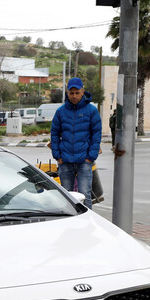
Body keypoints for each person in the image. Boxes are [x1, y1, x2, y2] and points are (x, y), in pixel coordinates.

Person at [50, 77, 102, 209]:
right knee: (66, 196)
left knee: (85, 195)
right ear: (67, 93)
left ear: (82, 92)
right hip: (65, 161)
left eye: (77, 92)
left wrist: (90, 157)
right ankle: (69, 224)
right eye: (71, 93)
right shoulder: (60, 112)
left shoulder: (91, 111)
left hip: (84, 161)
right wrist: (58, 156)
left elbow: (96, 134)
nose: (74, 96)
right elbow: (55, 134)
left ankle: (88, 224)